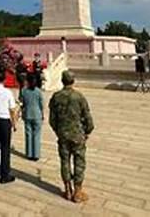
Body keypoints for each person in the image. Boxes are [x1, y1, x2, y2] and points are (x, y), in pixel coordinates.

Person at [49, 70, 94, 202]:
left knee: (65, 161)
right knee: (79, 162)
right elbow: (87, 117)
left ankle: (68, 189)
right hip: (77, 135)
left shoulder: (56, 97)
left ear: (62, 80)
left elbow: (52, 119)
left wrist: (58, 131)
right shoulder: (79, 97)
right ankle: (78, 191)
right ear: (73, 81)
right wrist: (87, 131)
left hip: (63, 134)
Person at [19, 73, 43, 161]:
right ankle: (36, 154)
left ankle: (29, 153)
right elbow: (41, 105)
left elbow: (21, 102)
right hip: (37, 114)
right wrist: (42, 114)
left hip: (27, 114)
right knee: (36, 134)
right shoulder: (38, 91)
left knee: (28, 134)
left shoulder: (24, 90)